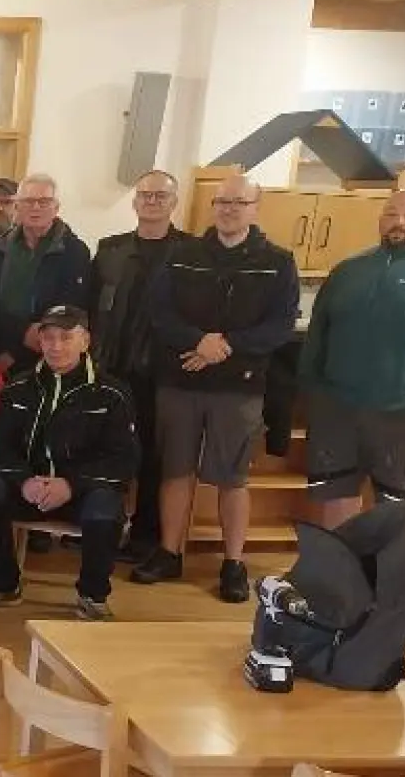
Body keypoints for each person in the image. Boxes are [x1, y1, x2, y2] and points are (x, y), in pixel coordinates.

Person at [132, 173, 298, 602]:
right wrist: (196, 341)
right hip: (179, 380)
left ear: (254, 208)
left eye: (238, 203)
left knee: (233, 478)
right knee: (175, 470)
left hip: (239, 386)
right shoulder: (182, 255)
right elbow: (158, 311)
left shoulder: (277, 261)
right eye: (222, 202)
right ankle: (169, 553)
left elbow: (281, 325)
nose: (228, 209)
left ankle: (233, 563)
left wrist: (224, 345)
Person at [0, 305, 137, 621]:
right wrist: (24, 480)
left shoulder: (113, 393)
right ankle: (4, 585)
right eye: (49, 337)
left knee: (105, 513)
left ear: (85, 341)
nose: (56, 346)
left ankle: (92, 596)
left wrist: (71, 484)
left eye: (65, 337)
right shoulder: (17, 387)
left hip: (83, 491)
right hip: (28, 488)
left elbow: (123, 459)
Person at [302, 188, 405, 527]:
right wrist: (315, 394)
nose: (399, 222)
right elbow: (317, 335)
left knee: (398, 511)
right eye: (391, 213)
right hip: (338, 411)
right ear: (379, 219)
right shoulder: (348, 271)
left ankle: (388, 581)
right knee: (335, 495)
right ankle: (339, 576)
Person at [87, 170, 188, 563]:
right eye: (145, 195)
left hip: (163, 373)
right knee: (107, 449)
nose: (152, 201)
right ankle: (100, 525)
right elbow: (92, 306)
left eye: (160, 195)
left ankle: (147, 534)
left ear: (173, 202)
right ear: (134, 201)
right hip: (112, 366)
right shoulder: (110, 250)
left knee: (152, 456)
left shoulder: (190, 253)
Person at [0, 174, 91, 376]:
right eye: (28, 201)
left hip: (47, 355)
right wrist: (15, 337)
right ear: (17, 207)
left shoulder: (75, 252)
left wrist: (18, 350)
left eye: (44, 202)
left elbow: (69, 307)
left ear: (56, 207)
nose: (35, 207)